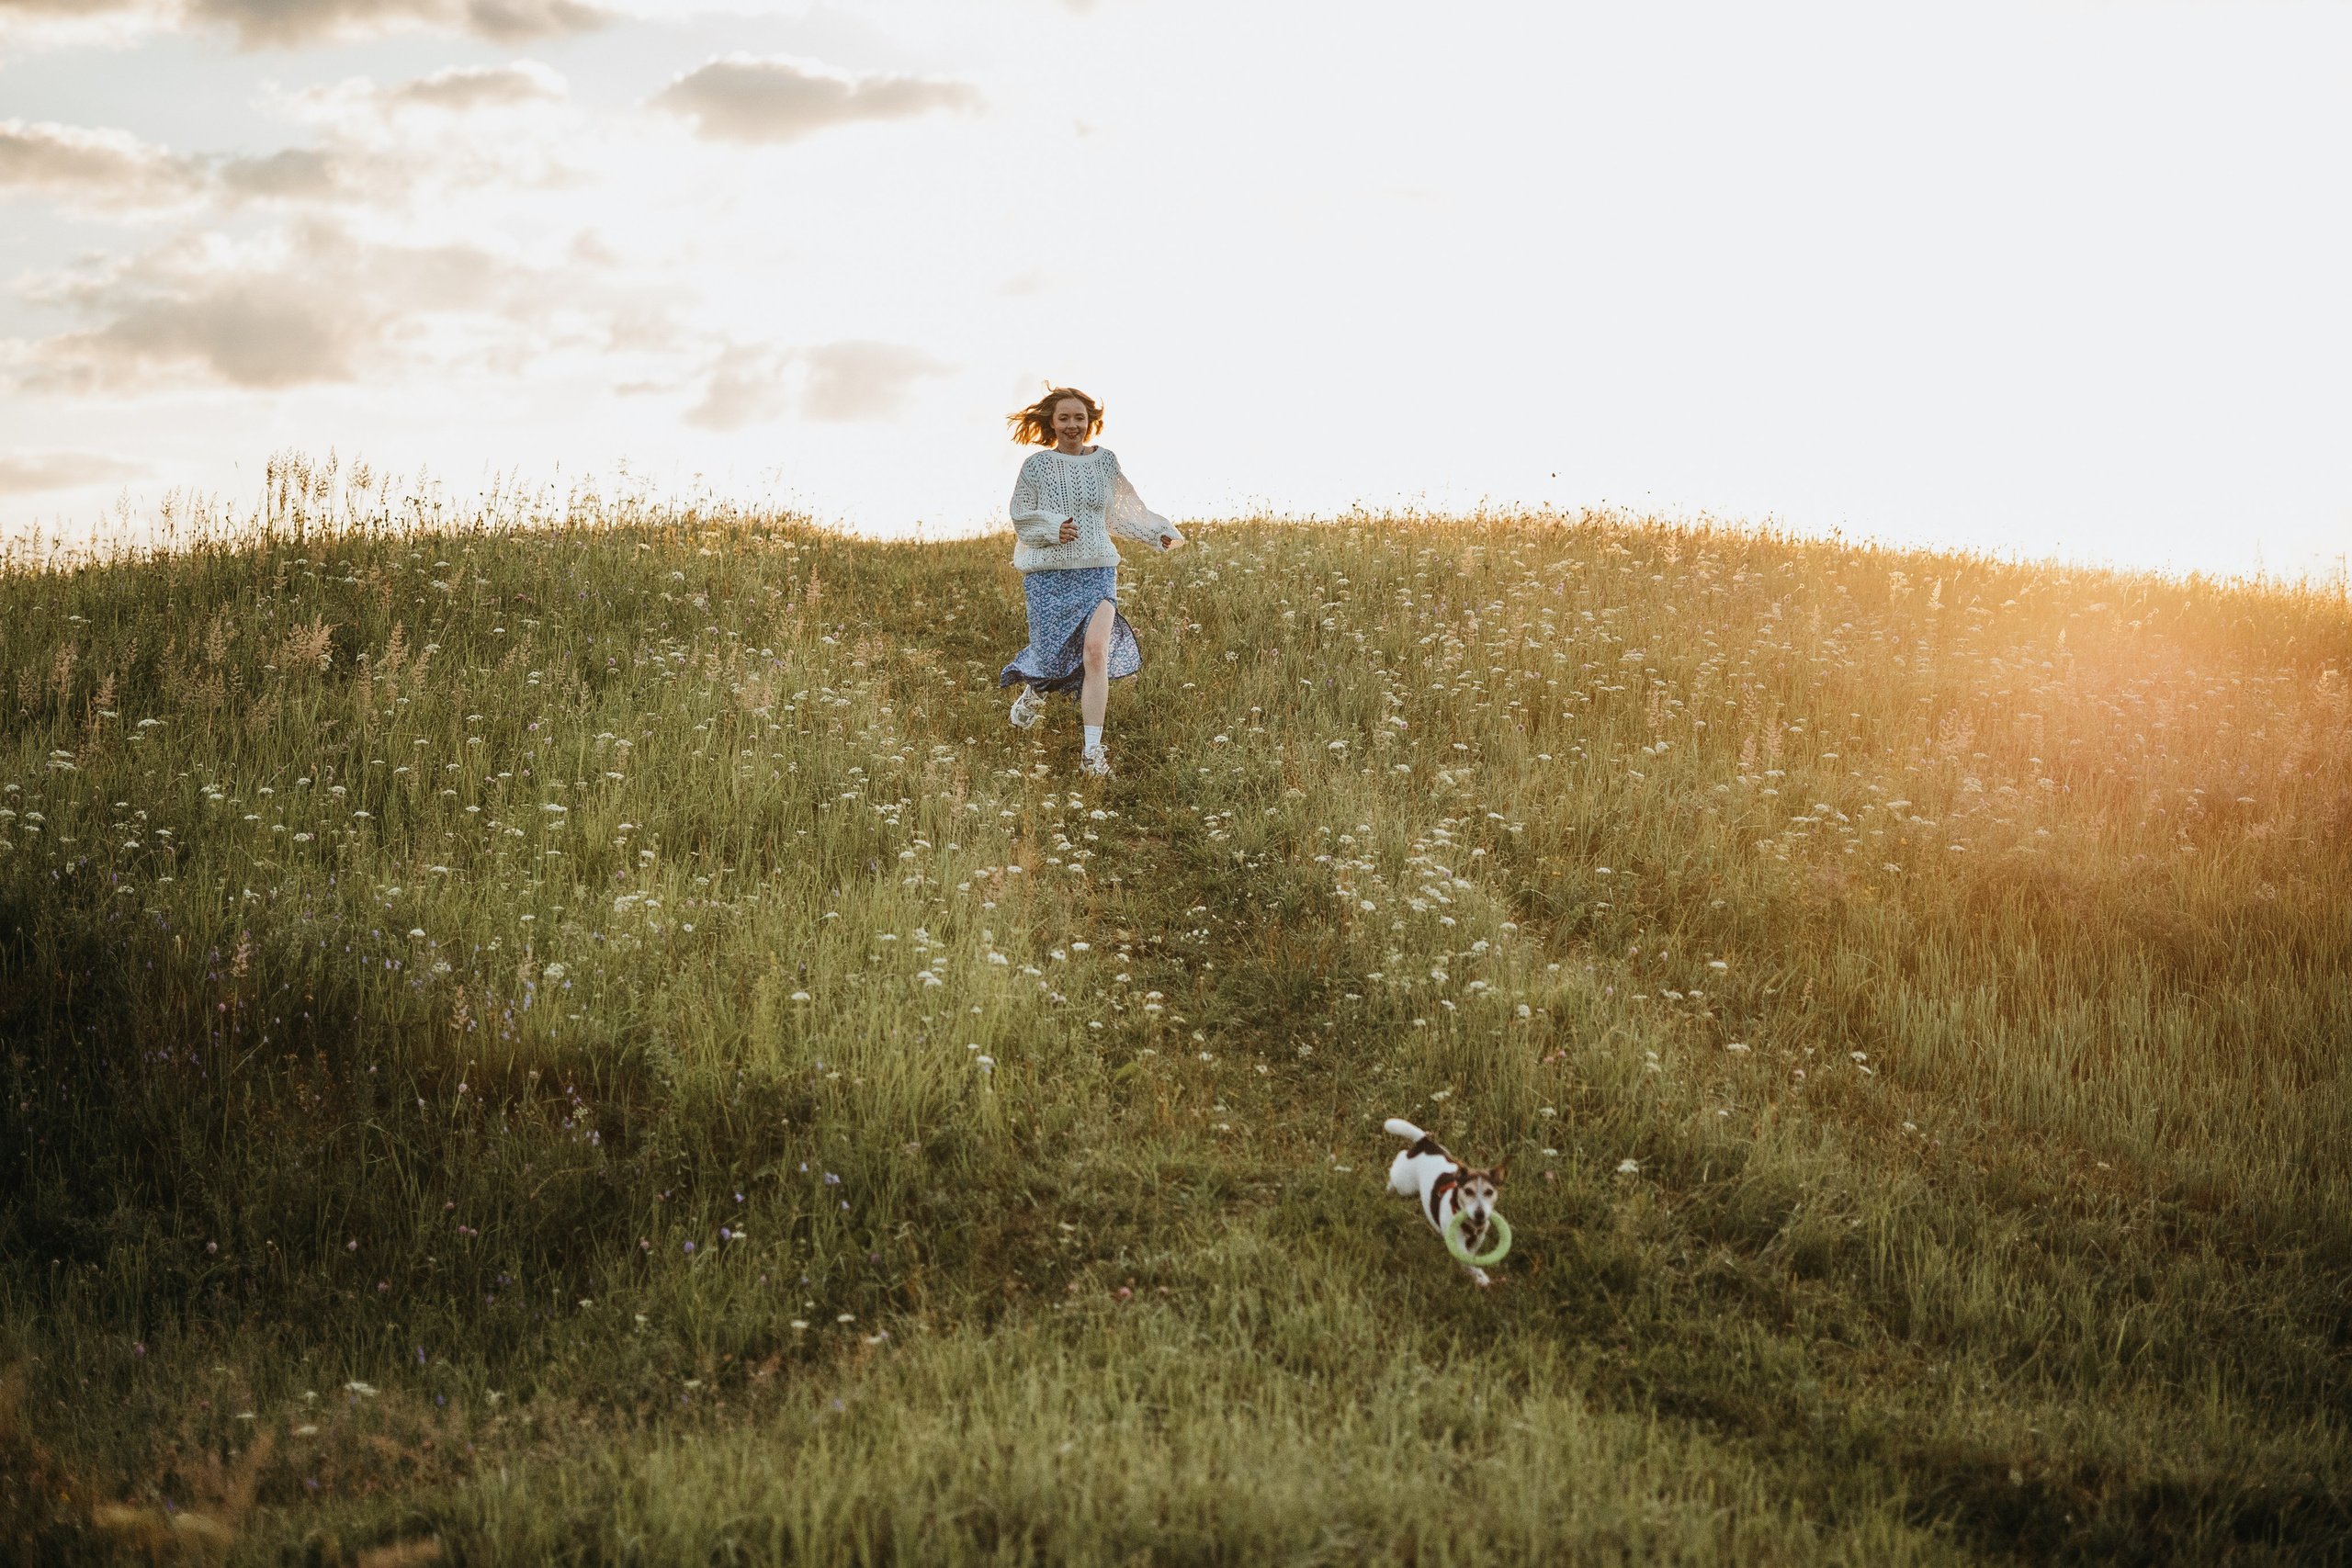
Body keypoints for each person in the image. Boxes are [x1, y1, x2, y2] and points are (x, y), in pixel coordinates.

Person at [998, 386, 1182, 778]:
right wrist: (1052, 529)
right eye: (1064, 418)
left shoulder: (1105, 462)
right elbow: (1020, 514)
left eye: (1079, 417)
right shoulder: (1037, 466)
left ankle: (1092, 755)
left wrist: (1154, 533)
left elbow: (1119, 513)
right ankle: (1036, 689)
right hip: (1047, 575)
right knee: (1051, 660)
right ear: (1051, 422)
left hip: (1097, 570)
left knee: (1095, 652)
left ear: (1090, 421)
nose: (1072, 425)